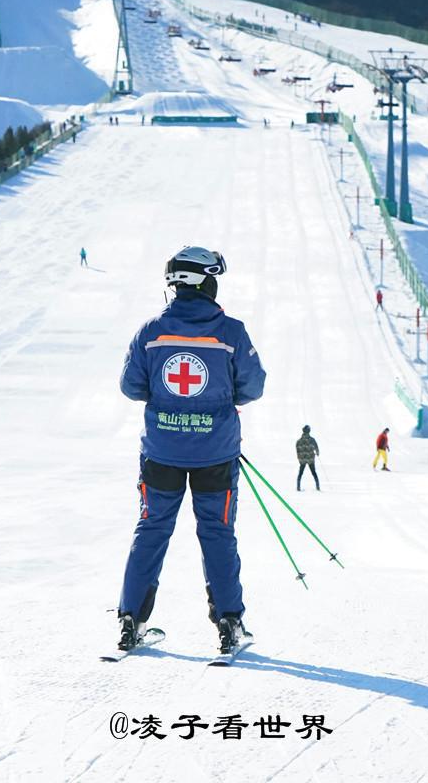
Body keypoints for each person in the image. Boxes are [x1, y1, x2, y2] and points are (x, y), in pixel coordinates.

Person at [115, 245, 266, 657]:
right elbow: (253, 386)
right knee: (217, 534)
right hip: (215, 454)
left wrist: (166, 400)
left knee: (151, 530)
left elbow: (132, 387)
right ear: (205, 283)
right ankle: (230, 624)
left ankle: (130, 619)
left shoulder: (150, 332)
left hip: (161, 451)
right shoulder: (231, 332)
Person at [296, 425, 320, 492]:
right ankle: (318, 486)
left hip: (302, 460)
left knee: (300, 473)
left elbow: (298, 452)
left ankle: (298, 487)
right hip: (310, 459)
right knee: (314, 473)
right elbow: (316, 448)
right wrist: (317, 453)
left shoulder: (298, 441)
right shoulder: (312, 440)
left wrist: (300, 459)